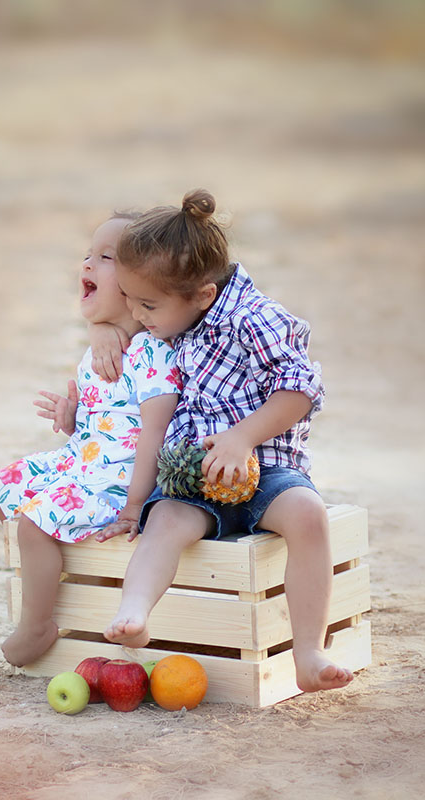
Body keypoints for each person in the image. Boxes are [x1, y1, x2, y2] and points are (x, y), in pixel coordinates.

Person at [103, 189, 354, 693]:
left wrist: (242, 438)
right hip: (195, 476)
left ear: (203, 295)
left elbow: (301, 388)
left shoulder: (254, 319)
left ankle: (308, 651)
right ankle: (134, 611)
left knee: (309, 514)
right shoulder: (173, 312)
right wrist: (105, 332)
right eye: (129, 298)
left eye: (145, 304)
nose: (136, 313)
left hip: (267, 469)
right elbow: (117, 315)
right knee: (164, 521)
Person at [0, 213, 183, 668]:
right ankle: (72, 586)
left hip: (120, 480)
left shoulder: (154, 355)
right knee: (2, 487)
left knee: (34, 524)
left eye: (105, 257)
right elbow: (103, 421)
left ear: (138, 285)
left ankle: (38, 625)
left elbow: (154, 432)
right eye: (87, 255)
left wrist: (136, 505)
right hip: (84, 462)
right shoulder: (98, 348)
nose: (88, 264)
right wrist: (73, 417)